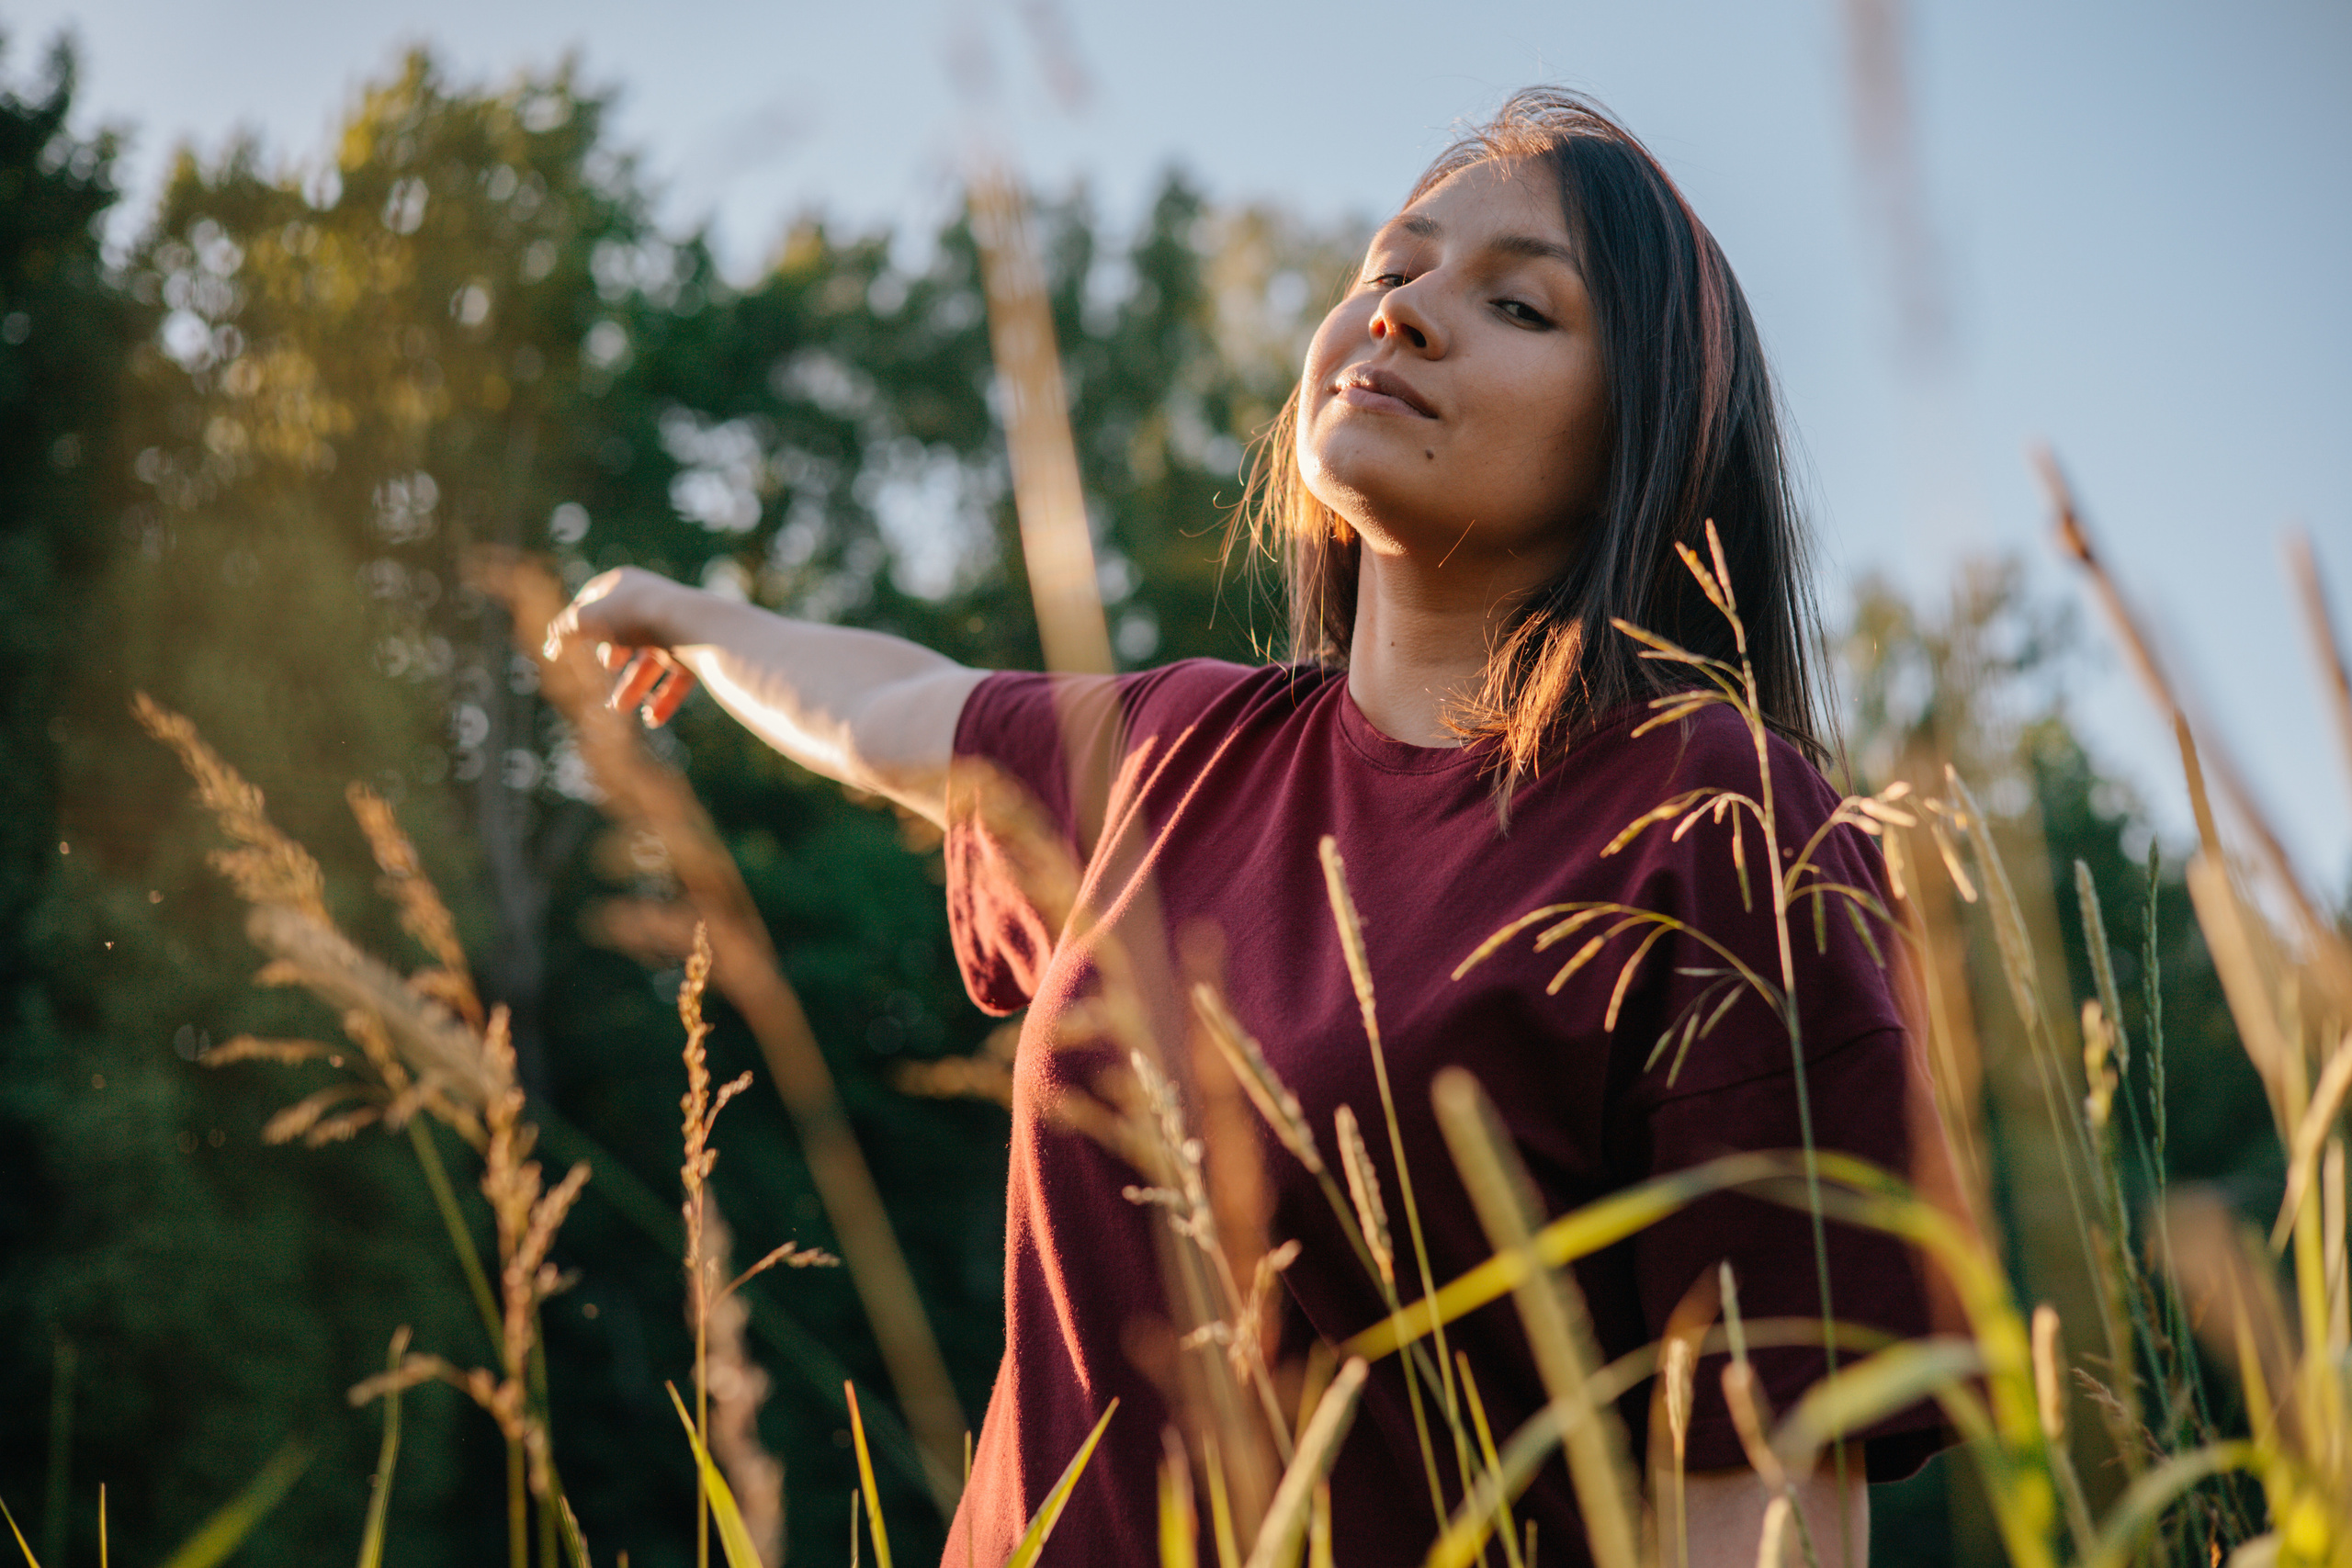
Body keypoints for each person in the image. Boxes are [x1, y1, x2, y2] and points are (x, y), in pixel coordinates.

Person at [547, 88, 1952, 1568]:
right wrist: (695, 618)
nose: (1402, 317)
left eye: (1519, 306)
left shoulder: (1714, 821)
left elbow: (1762, 1484)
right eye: (1388, 273)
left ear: (1646, 438)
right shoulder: (1187, 752)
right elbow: (900, 708)